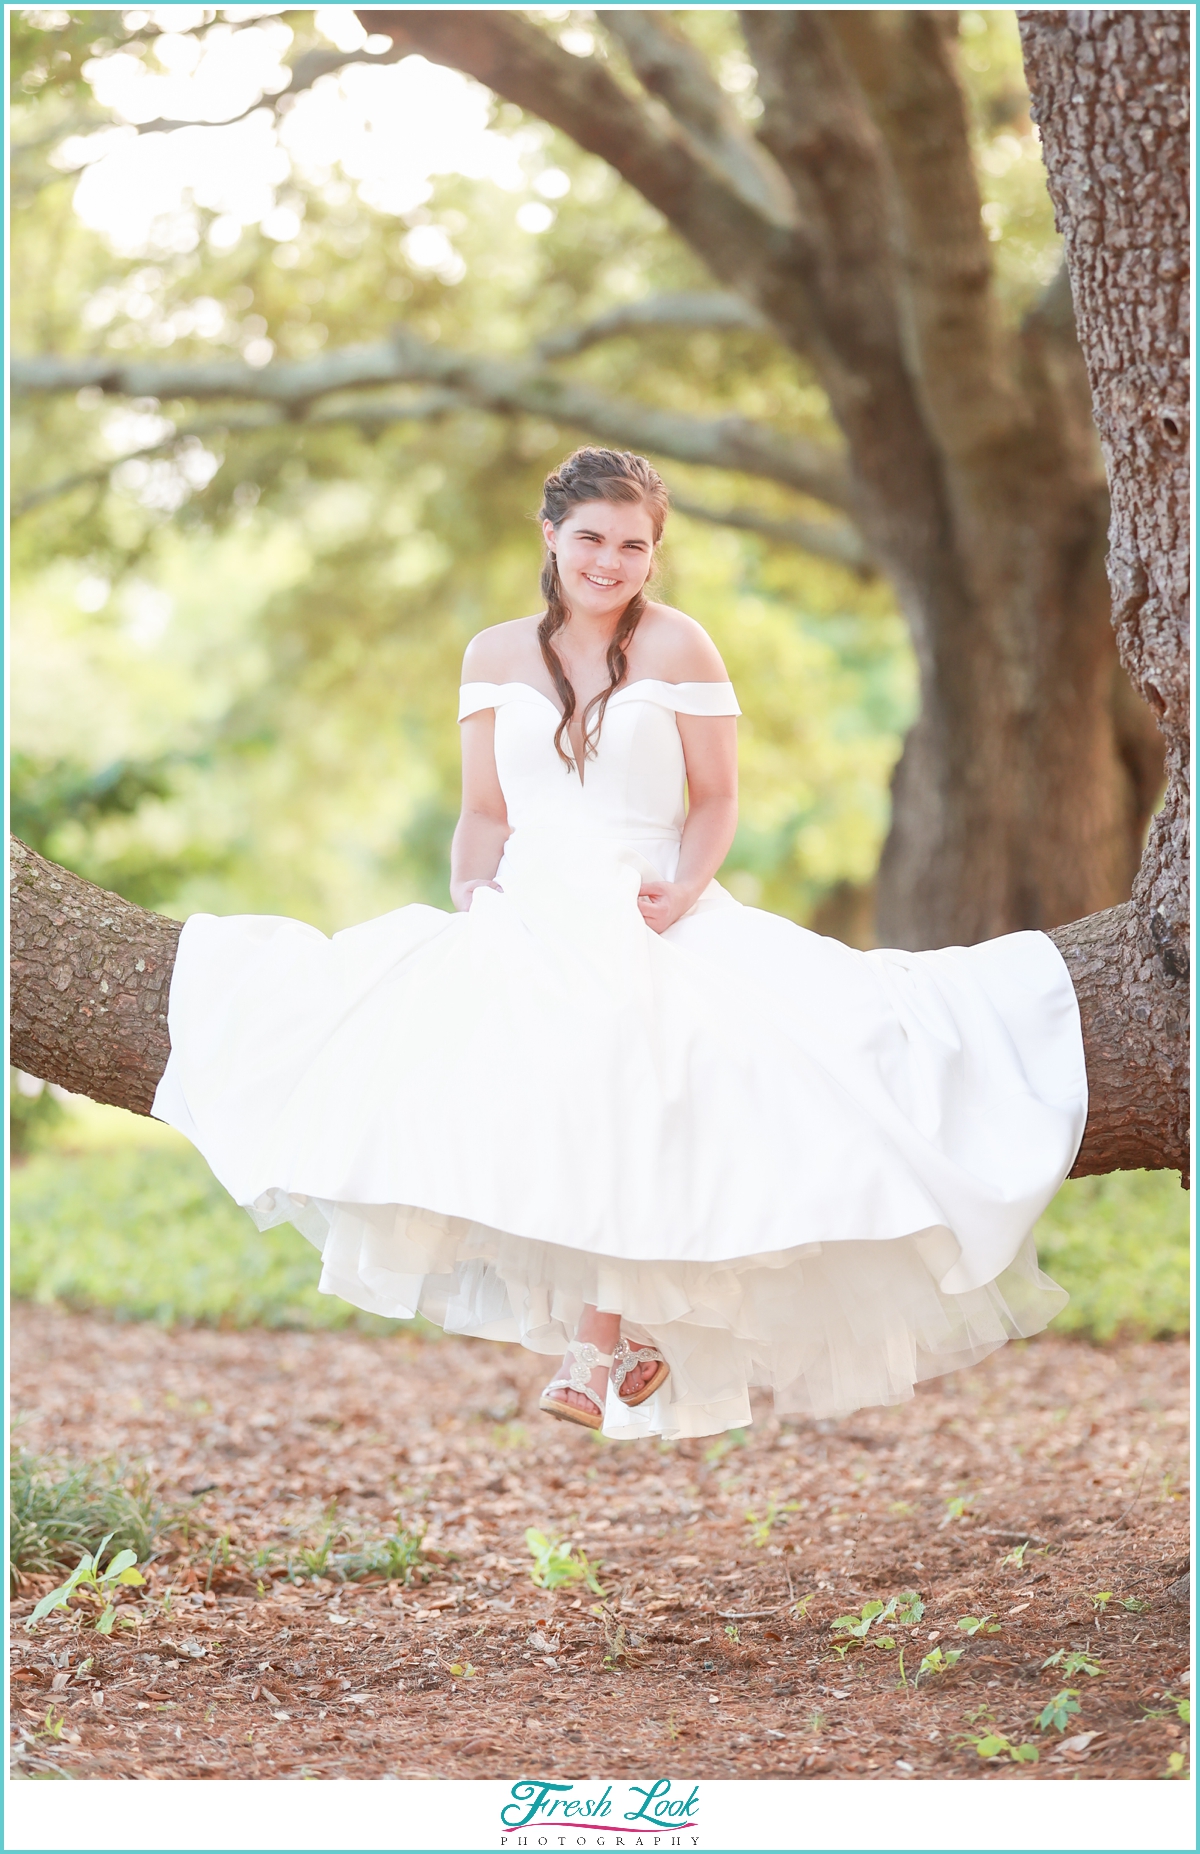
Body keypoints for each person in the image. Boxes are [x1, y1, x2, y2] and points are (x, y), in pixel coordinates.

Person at [153, 447, 1087, 1441]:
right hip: (528, 900)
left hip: (650, 898)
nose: (610, 561)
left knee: (643, 1058)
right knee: (506, 1085)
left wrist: (682, 891)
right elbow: (481, 811)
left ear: (654, 554)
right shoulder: (491, 655)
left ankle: (595, 1346)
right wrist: (474, 894)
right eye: (591, 538)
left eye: (633, 546)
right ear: (550, 535)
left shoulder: (683, 647)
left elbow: (718, 798)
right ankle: (629, 1331)